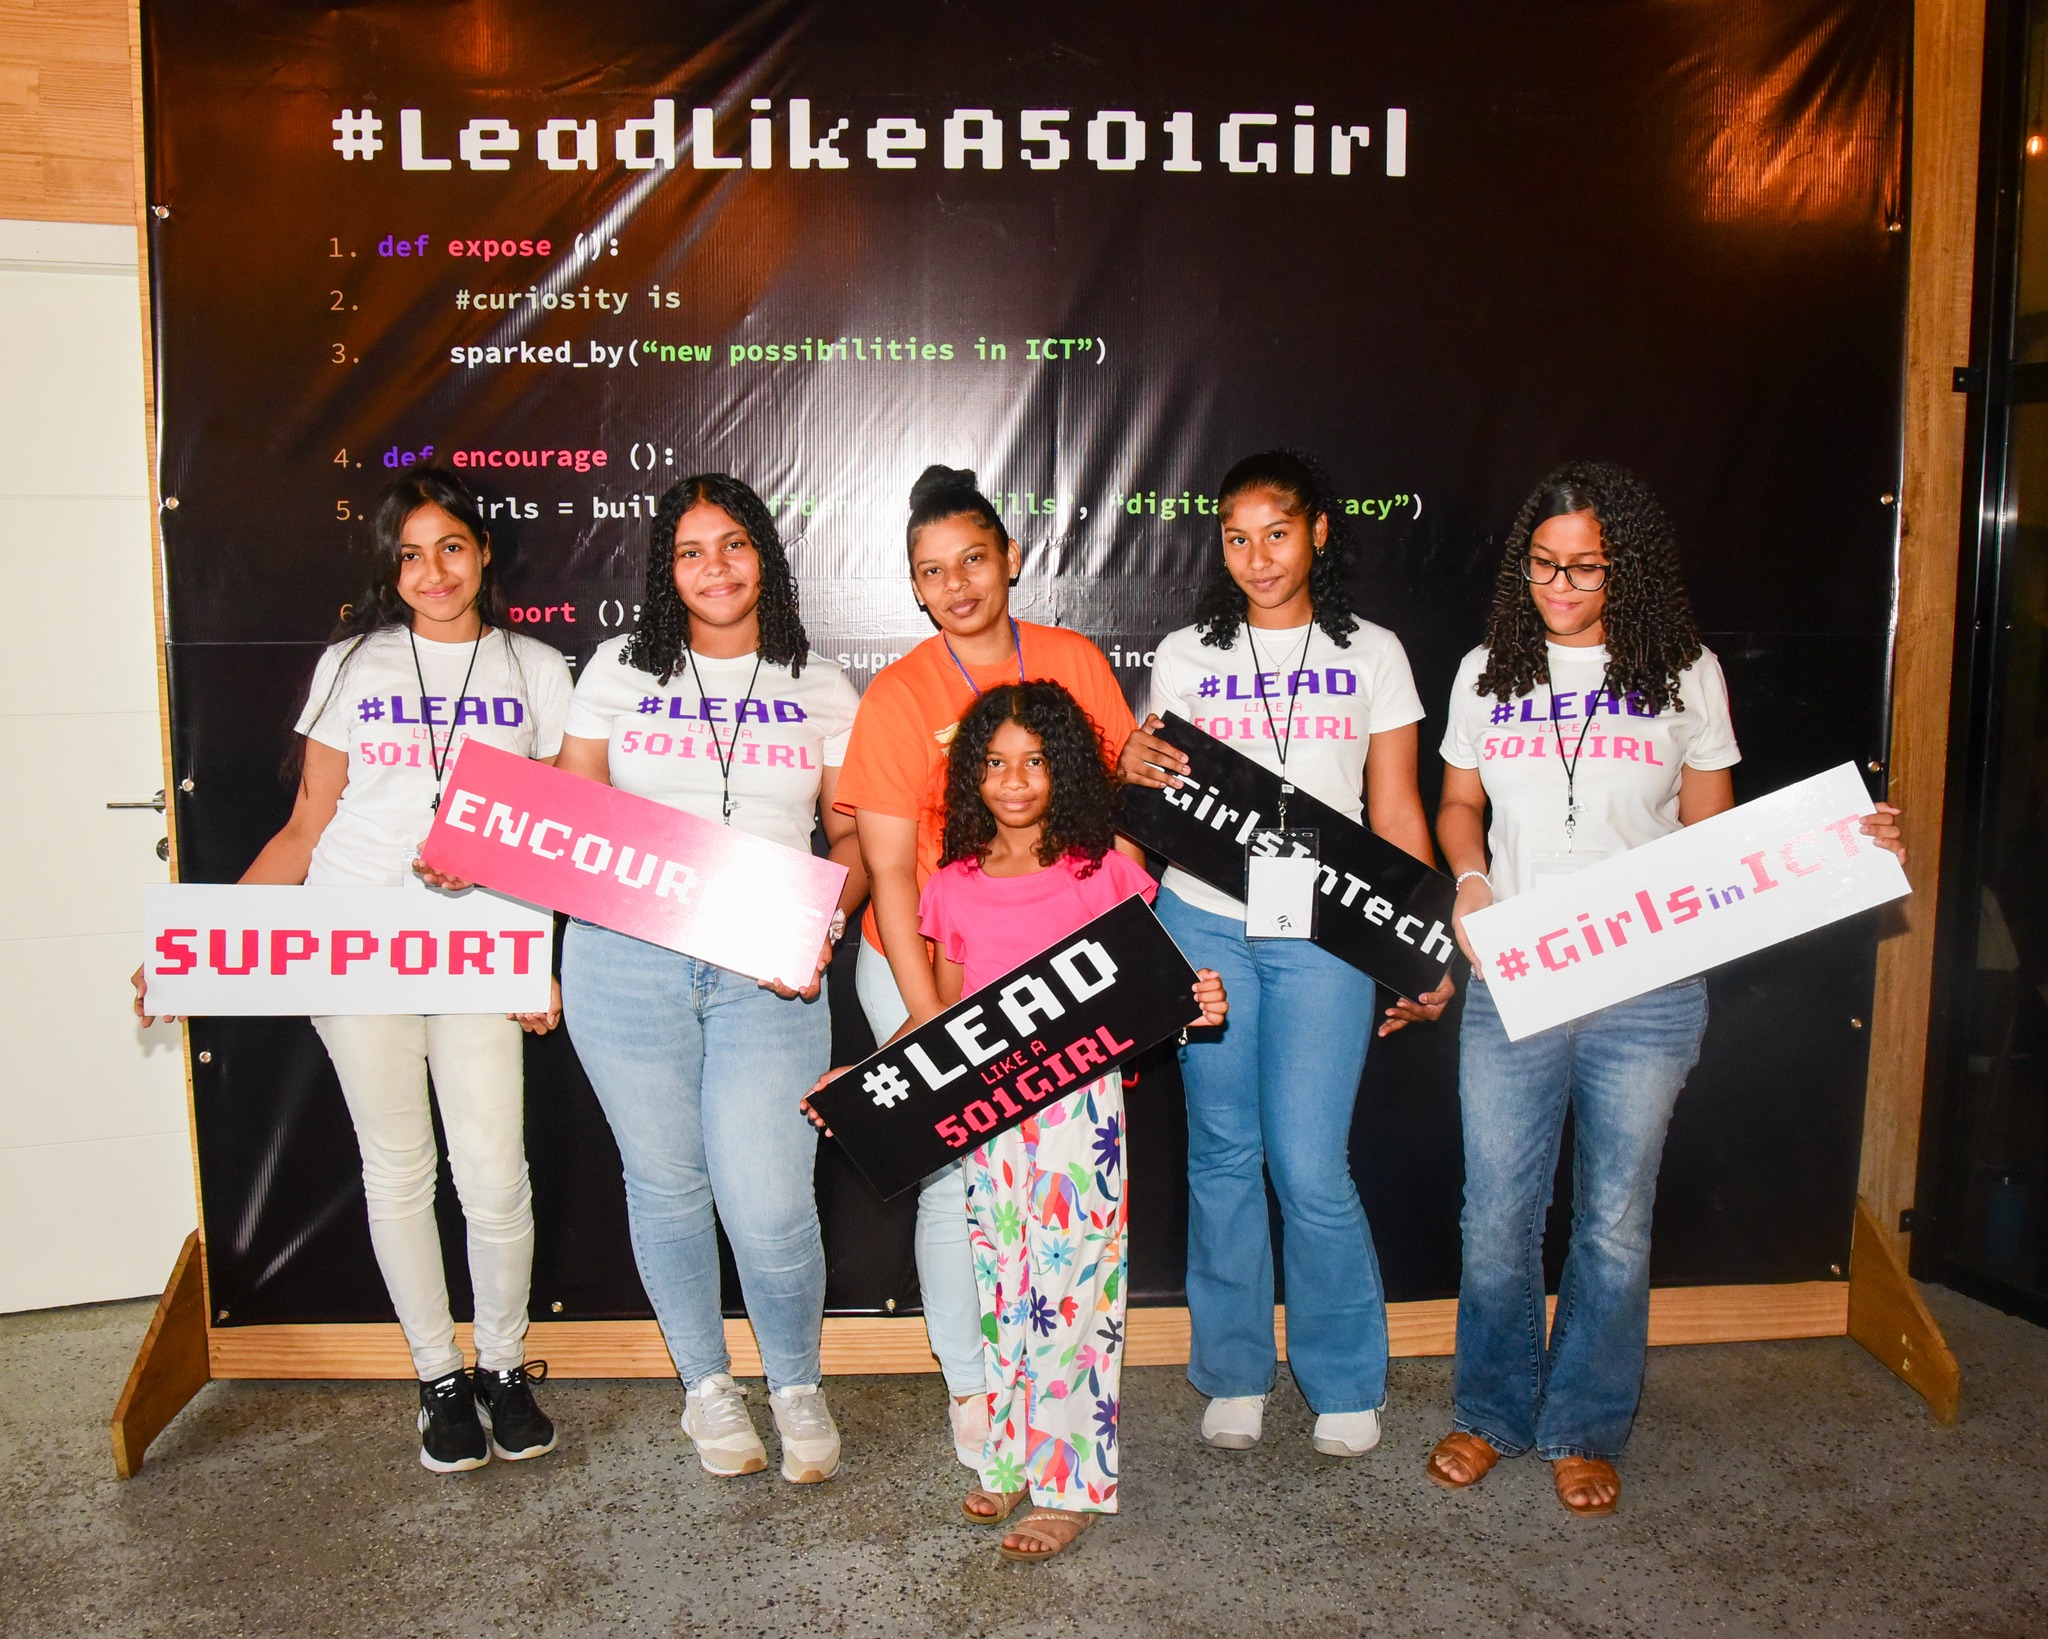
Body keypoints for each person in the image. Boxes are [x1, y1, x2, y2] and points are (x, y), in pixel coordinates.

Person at [1426, 460, 1906, 1516]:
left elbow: (1715, 838)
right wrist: (1468, 877)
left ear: (1628, 568)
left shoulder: (1684, 671)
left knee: (1612, 1219)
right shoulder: (1483, 670)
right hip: (1517, 973)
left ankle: (1584, 1425)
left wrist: (1839, 845)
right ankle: (1491, 1411)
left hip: (1645, 986)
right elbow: (1458, 803)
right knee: (1495, 1216)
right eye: (1542, 564)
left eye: (1585, 568)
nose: (1559, 587)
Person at [135, 465, 571, 1474]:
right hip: (356, 946)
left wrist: (536, 962)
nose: (433, 571)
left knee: (494, 1175)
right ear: (391, 567)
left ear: (484, 552)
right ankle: (438, 1378)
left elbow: (554, 831)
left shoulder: (536, 667)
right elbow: (305, 827)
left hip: (477, 950)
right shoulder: (352, 663)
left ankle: (504, 1367)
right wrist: (189, 955)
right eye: (410, 554)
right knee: (398, 1170)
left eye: (450, 547)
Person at [820, 681, 1227, 1560]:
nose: (1014, 779)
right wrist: (868, 1080)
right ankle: (1009, 1456)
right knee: (1002, 1288)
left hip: (1081, 1118)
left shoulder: (1103, 874)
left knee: (1075, 1293)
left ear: (1064, 769)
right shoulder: (952, 887)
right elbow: (943, 1021)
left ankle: (1070, 1483)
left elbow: (1153, 988)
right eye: (997, 762)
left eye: (1035, 761)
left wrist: (1198, 1004)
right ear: (971, 775)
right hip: (990, 1125)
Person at [1120, 449, 1453, 1458]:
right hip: (1202, 920)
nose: (1257, 557)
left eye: (1276, 533)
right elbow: (1151, 796)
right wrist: (1129, 764)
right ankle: (1232, 1370)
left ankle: (1343, 1379)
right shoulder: (1184, 653)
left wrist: (1422, 946)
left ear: (1317, 531)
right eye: (1236, 538)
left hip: (1326, 929)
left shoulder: (1373, 651)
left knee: (1310, 1163)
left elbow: (1396, 810)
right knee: (1222, 1152)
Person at [554, 473, 864, 1485]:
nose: (715, 567)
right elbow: (568, 816)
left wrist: (828, 918)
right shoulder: (616, 669)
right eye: (690, 552)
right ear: (666, 570)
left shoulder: (821, 683)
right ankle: (705, 1383)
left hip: (767, 970)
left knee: (769, 1199)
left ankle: (796, 1381)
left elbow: (852, 839)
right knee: (666, 1183)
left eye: (732, 544)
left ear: (762, 553)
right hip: (621, 959)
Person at [832, 465, 1140, 1467]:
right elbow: (886, 867)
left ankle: (1053, 1375)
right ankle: (973, 1388)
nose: (956, 583)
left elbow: (1121, 815)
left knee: (1057, 1183)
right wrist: (927, 1012)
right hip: (933, 955)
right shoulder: (897, 693)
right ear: (915, 587)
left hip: (1062, 956)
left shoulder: (1074, 659)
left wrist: (1117, 958)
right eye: (933, 570)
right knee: (955, 1178)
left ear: (1010, 557)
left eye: (972, 558)